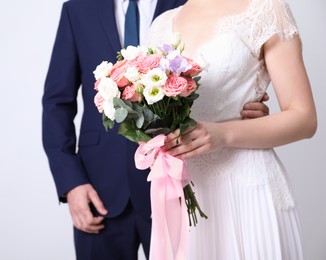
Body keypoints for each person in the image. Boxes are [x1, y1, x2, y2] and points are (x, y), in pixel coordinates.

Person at [42, 0, 270, 259]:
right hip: (99, 187)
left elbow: (218, 73)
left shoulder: (188, 4)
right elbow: (56, 103)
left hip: (180, 184)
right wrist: (71, 182)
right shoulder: (78, 9)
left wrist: (241, 105)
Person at [144, 0, 317, 258]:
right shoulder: (161, 24)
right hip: (185, 189)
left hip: (247, 188)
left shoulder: (267, 9)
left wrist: (224, 133)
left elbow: (304, 118)